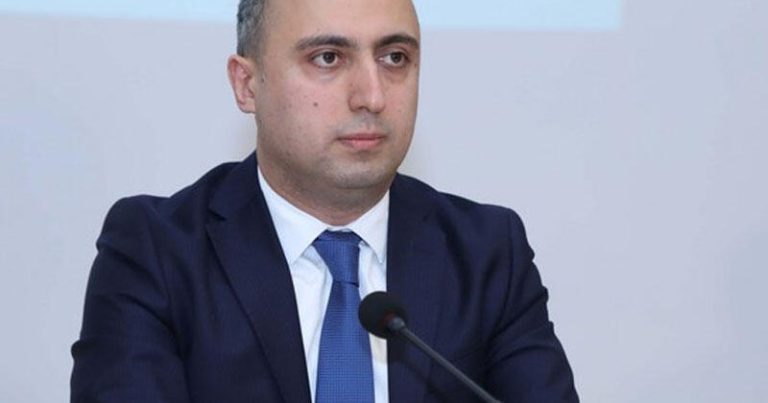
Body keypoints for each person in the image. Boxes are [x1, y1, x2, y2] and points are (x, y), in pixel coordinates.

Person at [70, 0, 579, 402]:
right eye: (328, 58)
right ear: (247, 85)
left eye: (395, 58)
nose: (372, 97)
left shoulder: (486, 252)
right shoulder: (157, 250)